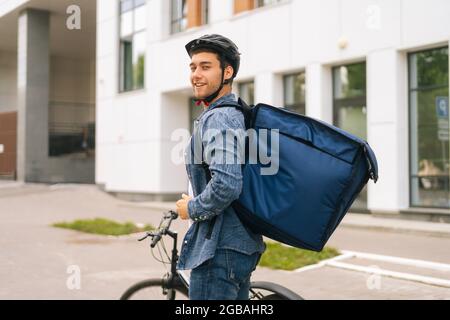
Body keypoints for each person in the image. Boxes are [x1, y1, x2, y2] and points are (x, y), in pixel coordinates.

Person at [175, 34, 265, 300]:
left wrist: (190, 208)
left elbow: (227, 183)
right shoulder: (234, 114)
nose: (196, 74)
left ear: (227, 72)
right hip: (238, 246)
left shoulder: (219, 118)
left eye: (205, 66)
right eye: (193, 67)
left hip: (219, 252)